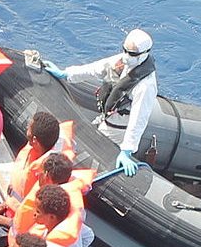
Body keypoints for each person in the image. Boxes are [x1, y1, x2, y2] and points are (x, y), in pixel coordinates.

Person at [44, 29, 157, 178]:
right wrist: (67, 74)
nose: (126, 56)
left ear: (144, 54)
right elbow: (95, 68)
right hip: (106, 119)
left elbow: (139, 119)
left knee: (87, 155)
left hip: (118, 129)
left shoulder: (146, 85)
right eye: (124, 50)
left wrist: (127, 150)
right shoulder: (121, 61)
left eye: (132, 54)